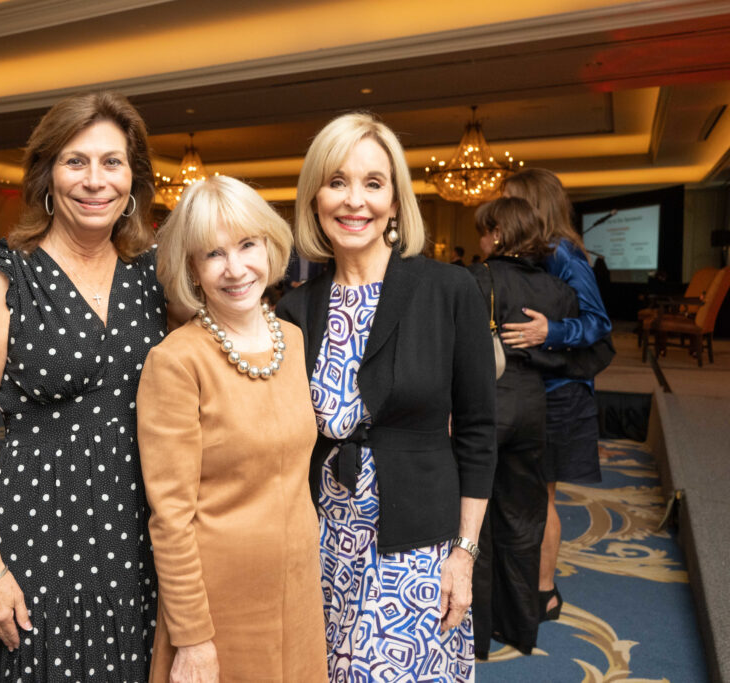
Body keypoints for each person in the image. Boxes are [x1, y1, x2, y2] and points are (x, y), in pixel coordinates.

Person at [0, 91, 164, 682]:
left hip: (139, 533)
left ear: (132, 180)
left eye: (112, 162)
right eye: (76, 162)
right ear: (47, 176)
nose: (95, 181)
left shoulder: (154, 276)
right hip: (41, 533)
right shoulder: (0, 280)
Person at [276, 111, 497, 681]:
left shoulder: (449, 290)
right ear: (315, 199)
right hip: (321, 542)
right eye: (338, 182)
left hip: (418, 547)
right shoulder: (294, 309)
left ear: (396, 202)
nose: (355, 201)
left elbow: (476, 432)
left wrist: (465, 556)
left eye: (373, 184)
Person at [137, 176, 326, 682]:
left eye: (247, 244)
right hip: (221, 602)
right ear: (193, 270)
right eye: (213, 254)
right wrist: (193, 638)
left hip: (299, 586)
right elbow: (170, 517)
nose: (236, 268)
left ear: (270, 244)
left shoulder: (291, 340)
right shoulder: (176, 361)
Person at [467, 197, 579, 659]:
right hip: (535, 406)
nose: (480, 239)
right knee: (523, 516)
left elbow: (461, 350)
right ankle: (519, 626)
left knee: (474, 521)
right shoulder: (558, 288)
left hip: (486, 404)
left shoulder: (479, 278)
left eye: (483, 231)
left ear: (497, 232)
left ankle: (476, 630)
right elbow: (575, 354)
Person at [499, 168, 612, 623]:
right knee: (528, 495)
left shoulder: (564, 253)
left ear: (532, 204)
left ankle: (544, 594)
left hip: (561, 394)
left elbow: (598, 323)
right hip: (537, 390)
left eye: (510, 200)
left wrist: (551, 330)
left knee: (541, 497)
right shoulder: (533, 252)